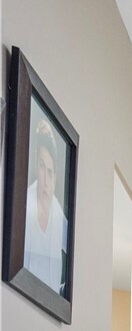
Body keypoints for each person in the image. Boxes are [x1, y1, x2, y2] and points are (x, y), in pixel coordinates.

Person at [23, 120, 68, 292]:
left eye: (50, 172)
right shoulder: (25, 205)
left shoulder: (57, 213)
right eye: (42, 167)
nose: (45, 180)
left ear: (55, 177)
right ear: (35, 163)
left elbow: (77, 254)